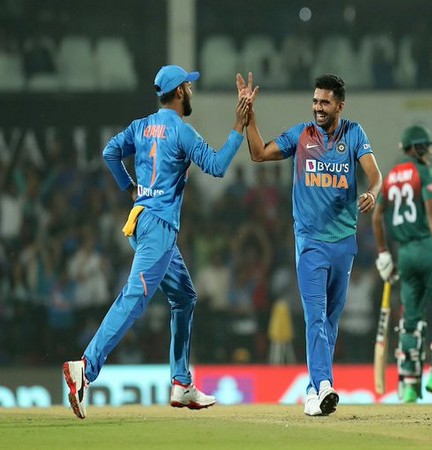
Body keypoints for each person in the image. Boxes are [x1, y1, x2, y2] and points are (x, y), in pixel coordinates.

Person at [62, 65, 251, 419]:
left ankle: (181, 383)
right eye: (188, 87)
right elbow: (217, 166)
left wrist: (130, 188)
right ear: (179, 92)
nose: (190, 92)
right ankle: (84, 368)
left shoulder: (141, 126)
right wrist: (238, 127)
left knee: (184, 297)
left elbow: (109, 152)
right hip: (160, 227)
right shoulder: (181, 131)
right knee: (135, 297)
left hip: (141, 220)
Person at [237, 72, 383, 416]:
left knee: (330, 321)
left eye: (325, 103)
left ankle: (312, 394)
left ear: (339, 106)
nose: (318, 107)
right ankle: (325, 384)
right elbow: (258, 153)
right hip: (311, 243)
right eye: (315, 101)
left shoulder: (354, 133)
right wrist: (249, 116)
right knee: (315, 316)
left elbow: (375, 175)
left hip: (344, 242)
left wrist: (372, 193)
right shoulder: (301, 136)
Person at [371, 124, 432, 403]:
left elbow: (376, 217)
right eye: (425, 147)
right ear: (415, 147)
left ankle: (409, 385)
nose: (429, 152)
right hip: (426, 247)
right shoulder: (423, 172)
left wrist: (383, 253)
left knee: (411, 320)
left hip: (404, 255)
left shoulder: (390, 177)